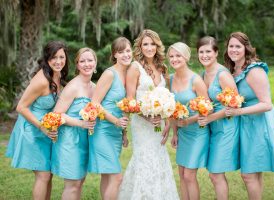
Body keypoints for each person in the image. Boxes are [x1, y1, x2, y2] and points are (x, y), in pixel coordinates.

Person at [224, 32, 274, 200]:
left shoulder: (254, 70)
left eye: (238, 46)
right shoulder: (233, 70)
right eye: (231, 46)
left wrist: (238, 112)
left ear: (246, 49)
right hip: (246, 123)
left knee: (248, 174)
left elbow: (266, 104)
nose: (234, 50)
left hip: (260, 122)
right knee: (254, 172)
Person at [118, 29, 179, 200]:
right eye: (145, 44)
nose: (149, 47)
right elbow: (130, 100)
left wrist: (166, 121)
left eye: (153, 43)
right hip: (141, 124)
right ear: (140, 46)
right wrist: (148, 116)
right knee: (144, 159)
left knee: (159, 158)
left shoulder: (162, 67)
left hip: (158, 123)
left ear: (157, 45)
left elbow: (164, 98)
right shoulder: (134, 68)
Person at [5, 41, 69, 200]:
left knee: (48, 175)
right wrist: (42, 127)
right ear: (47, 58)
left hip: (47, 131)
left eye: (62, 57)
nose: (58, 61)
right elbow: (21, 107)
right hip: (33, 130)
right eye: (54, 57)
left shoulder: (58, 74)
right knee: (43, 175)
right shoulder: (41, 80)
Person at [51, 47, 97, 200]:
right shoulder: (73, 87)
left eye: (90, 60)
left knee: (80, 182)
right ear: (77, 65)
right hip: (70, 140)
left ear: (95, 63)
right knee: (72, 184)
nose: (86, 64)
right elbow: (56, 115)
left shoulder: (94, 88)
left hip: (85, 140)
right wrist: (81, 124)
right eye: (82, 61)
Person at [197, 36, 240, 200]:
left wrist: (210, 118)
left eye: (208, 51)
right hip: (212, 127)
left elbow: (235, 104)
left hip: (226, 127)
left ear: (215, 53)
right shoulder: (203, 73)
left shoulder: (222, 75)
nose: (204, 55)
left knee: (215, 174)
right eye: (201, 52)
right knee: (213, 174)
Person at [88, 37, 131, 200]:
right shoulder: (109, 74)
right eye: (121, 52)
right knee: (117, 177)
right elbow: (95, 103)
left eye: (128, 50)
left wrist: (124, 133)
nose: (126, 55)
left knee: (107, 176)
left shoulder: (127, 73)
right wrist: (115, 121)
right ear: (114, 55)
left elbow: (125, 107)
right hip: (102, 131)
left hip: (115, 133)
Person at [168, 42, 210, 200]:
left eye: (178, 55)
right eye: (171, 56)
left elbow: (208, 108)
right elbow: (170, 110)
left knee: (189, 175)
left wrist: (189, 121)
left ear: (186, 57)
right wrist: (175, 133)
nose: (174, 59)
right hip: (182, 133)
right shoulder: (170, 79)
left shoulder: (196, 80)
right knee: (182, 174)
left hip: (197, 132)